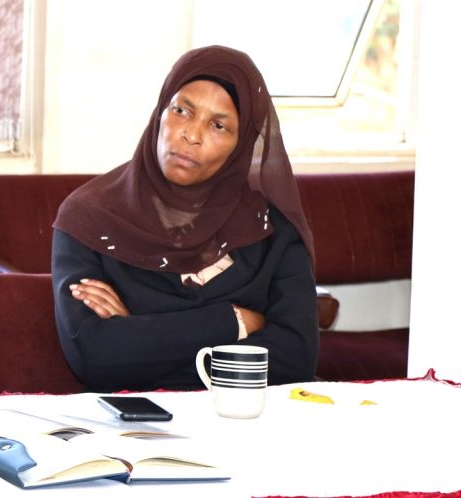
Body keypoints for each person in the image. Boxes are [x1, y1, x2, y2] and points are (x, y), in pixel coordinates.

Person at [51, 45, 318, 392]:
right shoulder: (90, 218)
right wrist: (235, 321)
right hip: (135, 431)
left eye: (219, 125)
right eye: (181, 110)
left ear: (241, 144)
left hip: (249, 423)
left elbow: (295, 358)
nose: (191, 135)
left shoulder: (271, 230)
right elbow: (94, 357)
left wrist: (139, 341)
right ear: (160, 110)